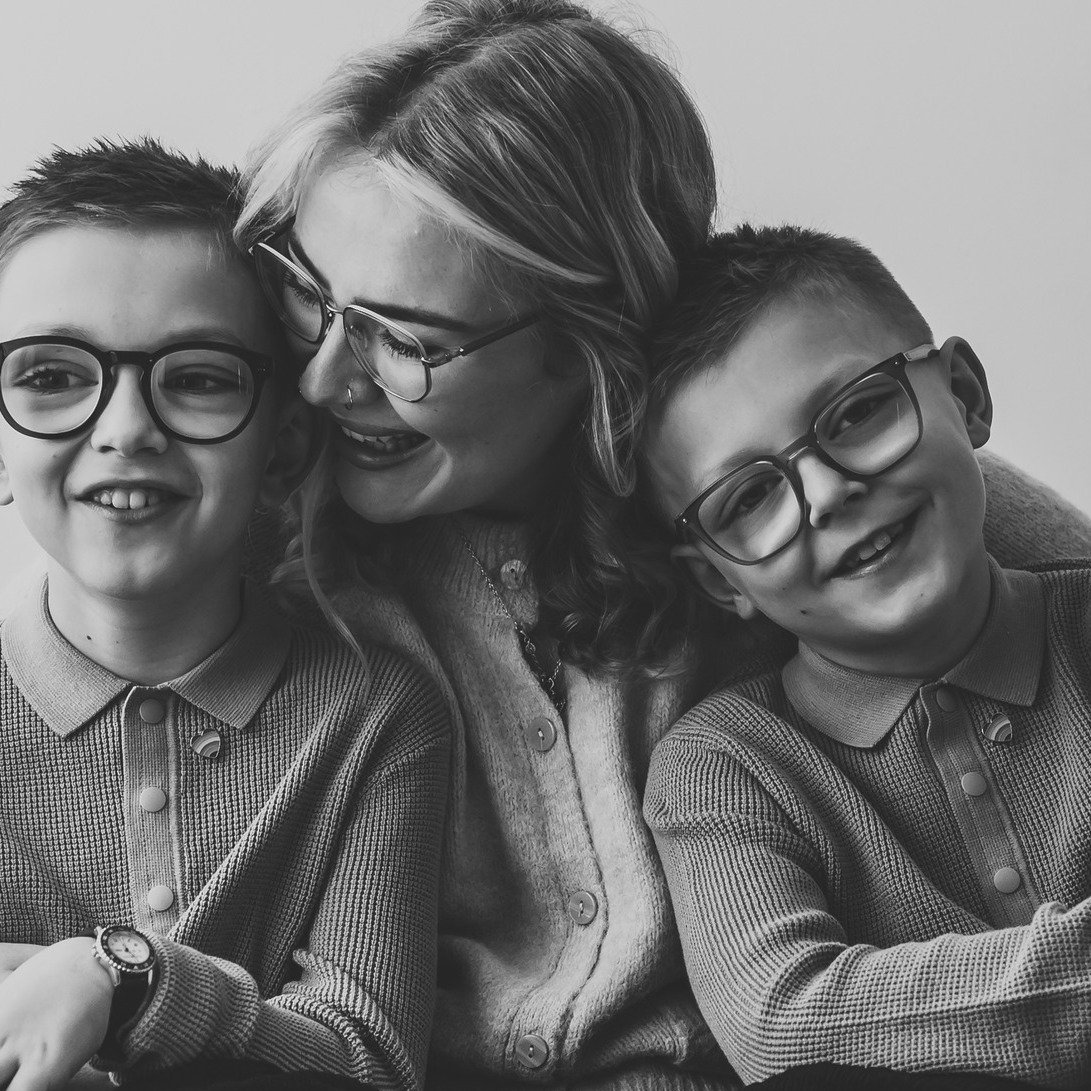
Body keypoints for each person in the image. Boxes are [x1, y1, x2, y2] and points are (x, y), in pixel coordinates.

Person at [236, 2, 1091, 1087]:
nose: (324, 377)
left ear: (584, 341)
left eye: (406, 338)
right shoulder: (279, 553)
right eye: (311, 296)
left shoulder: (806, 494)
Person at [0, 140, 448, 1091]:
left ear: (283, 444)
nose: (124, 429)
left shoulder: (376, 711)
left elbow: (367, 1058)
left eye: (198, 376)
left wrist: (118, 979)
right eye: (50, 376)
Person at [639, 225, 1091, 1088]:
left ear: (963, 394)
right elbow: (784, 1029)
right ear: (717, 580)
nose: (828, 492)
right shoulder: (723, 769)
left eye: (856, 412)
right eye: (750, 497)